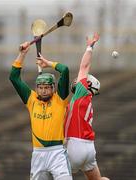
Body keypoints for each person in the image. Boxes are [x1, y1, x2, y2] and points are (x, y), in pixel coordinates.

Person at [9, 42, 72, 180]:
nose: (43, 91)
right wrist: (22, 54)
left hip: (57, 153)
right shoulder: (31, 99)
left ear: (53, 88)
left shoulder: (59, 99)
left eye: (47, 87)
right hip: (38, 154)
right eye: (41, 87)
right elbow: (13, 77)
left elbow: (65, 70)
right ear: (36, 88)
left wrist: (47, 63)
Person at [64, 33, 110, 180]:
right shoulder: (85, 100)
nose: (78, 80)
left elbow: (84, 66)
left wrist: (90, 46)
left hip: (74, 146)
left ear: (87, 84)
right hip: (89, 148)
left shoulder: (81, 93)